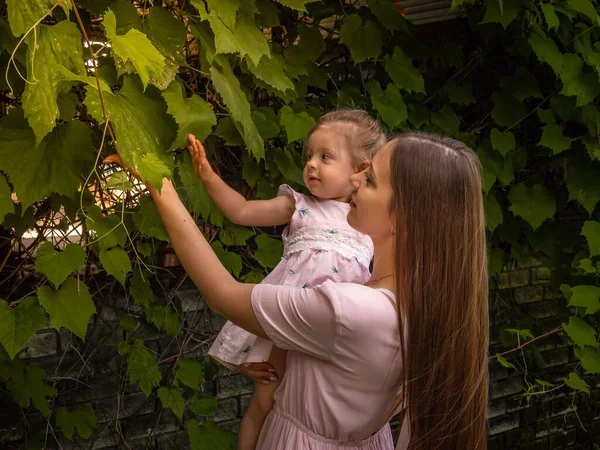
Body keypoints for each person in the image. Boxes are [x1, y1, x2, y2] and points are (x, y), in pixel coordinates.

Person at [105, 130, 489, 450]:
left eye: (370, 179)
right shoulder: (422, 303)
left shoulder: (352, 309)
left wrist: (159, 184)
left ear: (402, 218)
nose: (355, 180)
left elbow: (222, 293)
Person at [191, 110, 386, 450]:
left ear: (361, 170)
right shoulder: (298, 206)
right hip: (287, 324)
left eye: (325, 156)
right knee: (265, 402)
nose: (311, 163)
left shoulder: (371, 223)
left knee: (321, 409)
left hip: (334, 340)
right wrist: (209, 177)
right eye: (309, 155)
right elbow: (241, 211)